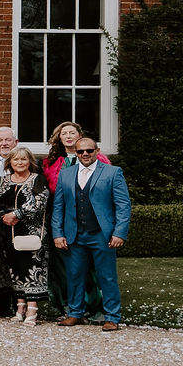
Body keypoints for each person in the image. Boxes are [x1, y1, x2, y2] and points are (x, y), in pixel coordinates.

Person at [52, 133, 130, 330]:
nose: (85, 154)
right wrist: (58, 233)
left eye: (89, 150)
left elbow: (123, 205)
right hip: (74, 234)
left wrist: (119, 232)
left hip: (102, 234)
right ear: (76, 153)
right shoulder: (66, 173)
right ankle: (75, 313)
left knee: (107, 276)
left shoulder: (113, 172)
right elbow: (58, 206)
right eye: (81, 151)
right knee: (74, 275)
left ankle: (112, 316)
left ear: (97, 151)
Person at [0, 145, 49, 323]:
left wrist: (16, 214)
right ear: (10, 162)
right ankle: (19, 307)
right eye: (16, 159)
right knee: (14, 268)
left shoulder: (37, 179)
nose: (20, 162)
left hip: (31, 232)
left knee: (31, 268)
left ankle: (32, 309)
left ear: (30, 162)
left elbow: (40, 202)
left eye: (23, 159)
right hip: (7, 233)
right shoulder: (3, 180)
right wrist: (3, 217)